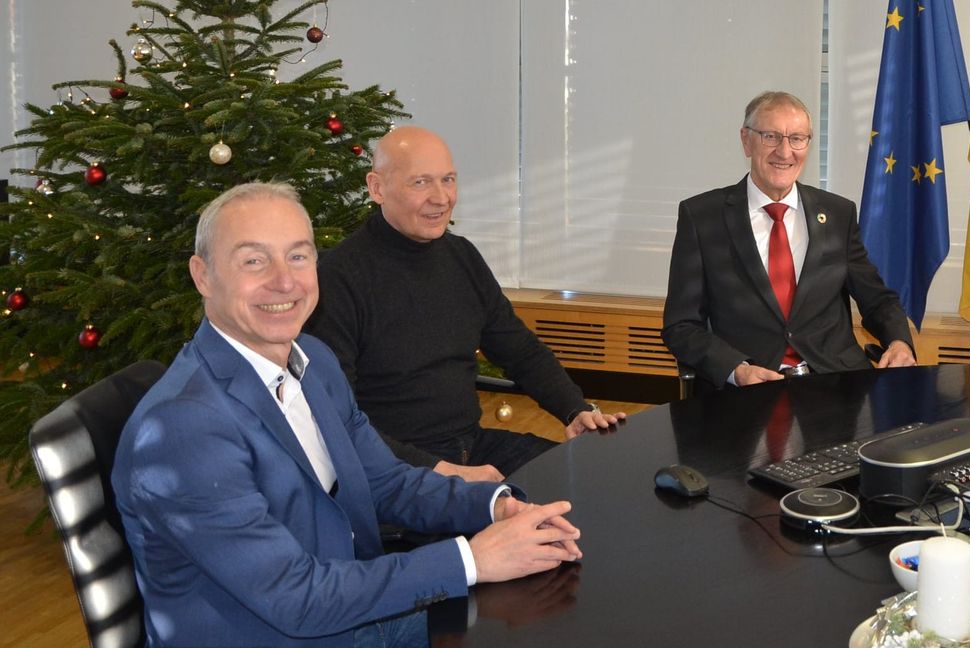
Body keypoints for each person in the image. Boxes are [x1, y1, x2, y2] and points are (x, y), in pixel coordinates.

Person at [113, 183, 583, 647]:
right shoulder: (185, 427)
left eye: (298, 256)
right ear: (203, 276)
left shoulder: (312, 360)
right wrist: (472, 560)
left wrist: (493, 506)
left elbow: (383, 480)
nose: (284, 281)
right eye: (254, 261)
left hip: (351, 610)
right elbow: (296, 599)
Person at [306, 127, 624, 482]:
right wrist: (441, 473)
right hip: (397, 468)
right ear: (377, 188)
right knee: (533, 510)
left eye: (448, 180)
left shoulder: (462, 257)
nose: (441, 198)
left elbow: (521, 351)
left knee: (593, 479)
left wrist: (574, 410)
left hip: (472, 445)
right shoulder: (338, 279)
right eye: (421, 182)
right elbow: (338, 417)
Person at [662, 91, 916, 390]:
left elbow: (878, 300)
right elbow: (681, 326)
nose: (785, 152)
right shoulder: (702, 217)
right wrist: (736, 370)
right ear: (746, 140)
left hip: (834, 384)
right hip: (748, 389)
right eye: (770, 137)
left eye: (797, 138)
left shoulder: (837, 213)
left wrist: (899, 342)